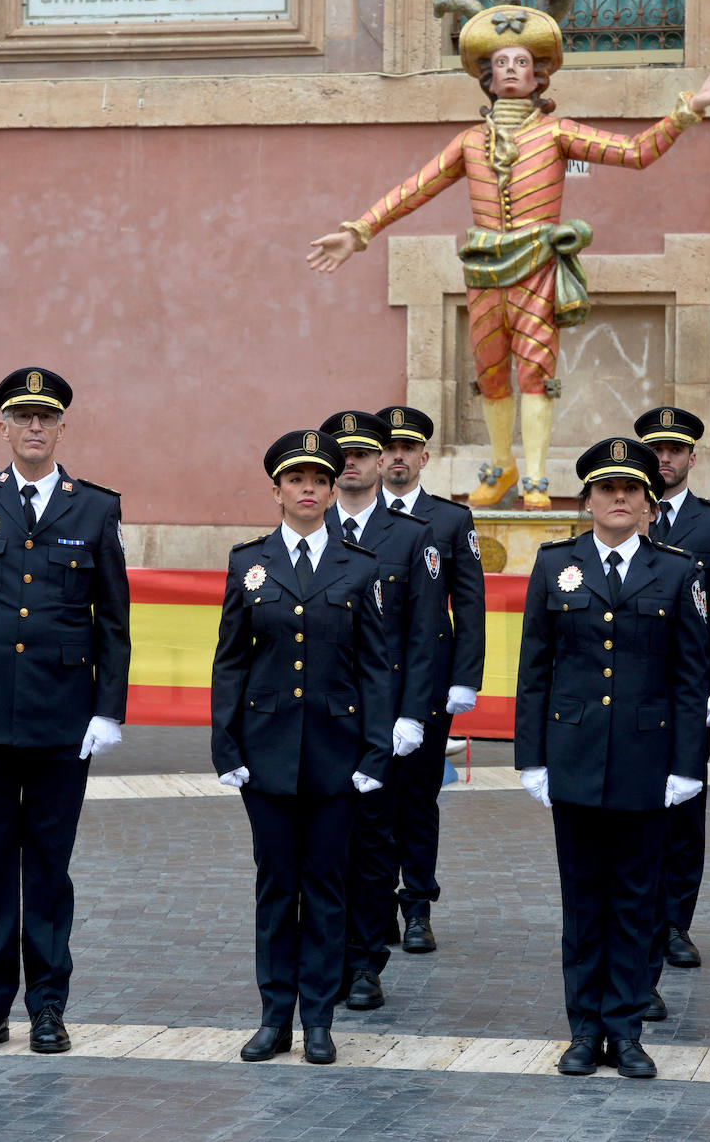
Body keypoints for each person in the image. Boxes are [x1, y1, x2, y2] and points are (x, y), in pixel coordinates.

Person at [307, 2, 710, 509]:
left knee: (535, 372)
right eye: (501, 63)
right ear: (488, 78)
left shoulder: (558, 132)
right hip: (483, 270)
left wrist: (690, 109)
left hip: (537, 265)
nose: (511, 69)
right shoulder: (470, 142)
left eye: (521, 62)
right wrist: (359, 231)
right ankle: (501, 464)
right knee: (490, 373)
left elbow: (635, 152)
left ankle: (534, 474)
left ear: (539, 76)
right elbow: (415, 189)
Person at [0, 367, 131, 1055]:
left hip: (60, 716)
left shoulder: (94, 508)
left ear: (62, 426)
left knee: (47, 865)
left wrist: (107, 709)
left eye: (46, 417)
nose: (34, 427)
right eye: (22, 416)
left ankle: (47, 1006)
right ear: (3, 426)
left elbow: (113, 620)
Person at [515, 437, 710, 1079]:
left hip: (645, 761)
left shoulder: (678, 571)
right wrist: (532, 757)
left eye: (631, 489)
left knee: (636, 902)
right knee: (582, 903)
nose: (619, 498)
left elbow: (691, 677)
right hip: (573, 757)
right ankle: (583, 1031)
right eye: (607, 489)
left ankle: (625, 1032)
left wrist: (687, 765)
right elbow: (535, 669)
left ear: (648, 502)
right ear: (588, 500)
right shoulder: (555, 565)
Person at [211, 429, 393, 1066]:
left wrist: (375, 753)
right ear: (277, 491)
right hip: (265, 754)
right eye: (297, 480)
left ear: (332, 490)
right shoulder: (248, 563)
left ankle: (318, 1019)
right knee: (274, 888)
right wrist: (226, 745)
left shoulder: (359, 566)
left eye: (319, 479)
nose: (309, 489)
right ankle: (273, 1019)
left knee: (325, 889)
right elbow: (230, 662)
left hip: (336, 756)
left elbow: (376, 668)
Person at [319, 410, 438, 1011]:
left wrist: (412, 713)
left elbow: (424, 635)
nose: (352, 463)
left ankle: (366, 962)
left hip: (380, 718)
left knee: (371, 845)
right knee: (321, 845)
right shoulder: (307, 527)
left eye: (363, 454)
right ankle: (324, 959)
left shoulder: (412, 535)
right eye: (342, 454)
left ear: (377, 462)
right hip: (319, 718)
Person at [634, 406, 710, 1007]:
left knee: (684, 808)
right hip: (632, 691)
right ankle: (637, 918)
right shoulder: (624, 514)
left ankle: (676, 922)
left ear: (691, 458)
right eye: (656, 450)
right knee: (634, 805)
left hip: (690, 692)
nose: (665, 459)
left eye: (675, 450)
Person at [376, 406, 486, 951]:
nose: (398, 456)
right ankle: (375, 907)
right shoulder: (352, 515)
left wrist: (465, 678)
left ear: (424, 457)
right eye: (389, 448)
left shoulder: (450, 520)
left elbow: (469, 603)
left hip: (428, 682)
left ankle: (417, 905)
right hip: (368, 681)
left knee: (418, 798)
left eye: (408, 448)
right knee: (371, 798)